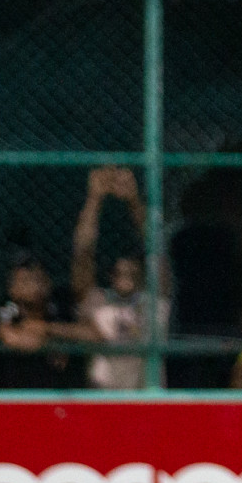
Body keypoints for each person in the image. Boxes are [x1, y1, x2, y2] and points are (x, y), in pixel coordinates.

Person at [71, 166, 166, 389]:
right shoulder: (98, 302)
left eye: (133, 272)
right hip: (103, 405)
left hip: (146, 402)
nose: (126, 277)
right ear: (110, 275)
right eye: (119, 272)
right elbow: (82, 253)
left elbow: (156, 250)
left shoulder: (154, 303)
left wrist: (133, 200)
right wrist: (94, 199)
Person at [0, 255, 99, 389]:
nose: (35, 286)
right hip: (18, 392)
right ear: (12, 289)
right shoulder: (7, 308)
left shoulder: (60, 305)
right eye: (25, 281)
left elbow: (93, 335)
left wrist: (46, 328)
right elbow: (15, 339)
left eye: (39, 279)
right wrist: (54, 344)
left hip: (64, 392)